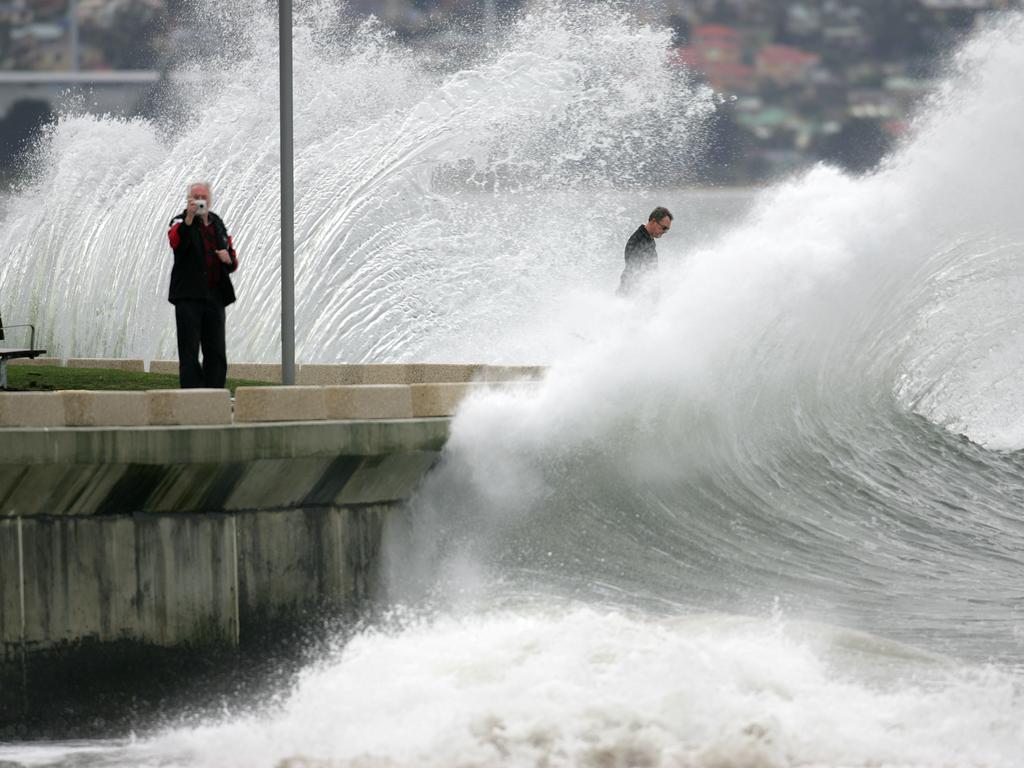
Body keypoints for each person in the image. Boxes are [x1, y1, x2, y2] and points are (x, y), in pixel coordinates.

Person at [167, 181, 239, 389]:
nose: (200, 200)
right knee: (189, 352)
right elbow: (175, 242)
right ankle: (191, 398)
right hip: (188, 297)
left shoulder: (218, 224)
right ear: (189, 199)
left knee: (216, 351)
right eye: (196, 197)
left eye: (203, 197)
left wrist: (228, 259)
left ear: (209, 199)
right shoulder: (179, 222)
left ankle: (215, 394)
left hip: (215, 297)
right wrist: (189, 218)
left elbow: (232, 259)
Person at [617, 206, 673, 296]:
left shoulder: (648, 238)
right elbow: (632, 271)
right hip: (630, 293)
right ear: (654, 222)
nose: (664, 232)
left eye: (667, 230)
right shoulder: (638, 241)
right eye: (664, 228)